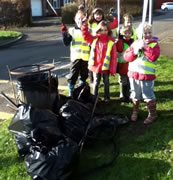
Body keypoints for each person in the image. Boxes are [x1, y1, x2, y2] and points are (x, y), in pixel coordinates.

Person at [123, 23, 160, 124]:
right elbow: (126, 57)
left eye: (149, 33)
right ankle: (135, 110)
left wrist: (145, 47)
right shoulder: (135, 44)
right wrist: (134, 51)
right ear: (140, 34)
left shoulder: (154, 44)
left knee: (148, 95)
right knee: (135, 94)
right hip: (134, 74)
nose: (147, 35)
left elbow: (153, 57)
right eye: (145, 33)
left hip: (147, 75)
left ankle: (152, 114)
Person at [82, 20, 117, 101]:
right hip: (96, 66)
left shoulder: (111, 41)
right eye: (101, 30)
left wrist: (113, 69)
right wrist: (84, 25)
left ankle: (107, 97)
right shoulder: (95, 39)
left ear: (108, 31)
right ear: (98, 30)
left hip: (106, 67)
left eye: (105, 30)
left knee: (106, 82)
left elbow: (114, 57)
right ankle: (95, 97)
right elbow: (85, 36)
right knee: (96, 82)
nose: (103, 32)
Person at [61, 10, 90, 96]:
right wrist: (64, 34)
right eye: (78, 19)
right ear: (75, 20)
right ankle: (71, 90)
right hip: (75, 57)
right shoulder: (72, 30)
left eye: (82, 18)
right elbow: (66, 43)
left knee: (84, 75)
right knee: (73, 75)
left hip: (86, 57)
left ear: (86, 20)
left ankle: (81, 90)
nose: (80, 21)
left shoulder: (89, 30)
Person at [87, 7, 118, 84]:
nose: (98, 16)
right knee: (92, 63)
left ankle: (104, 79)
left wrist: (115, 17)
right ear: (93, 15)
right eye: (97, 15)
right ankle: (92, 81)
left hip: (103, 45)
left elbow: (114, 24)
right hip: (93, 45)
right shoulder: (90, 24)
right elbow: (85, 32)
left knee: (103, 61)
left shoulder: (105, 24)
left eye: (100, 15)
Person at [116, 25, 134, 103]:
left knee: (129, 81)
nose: (127, 35)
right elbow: (119, 49)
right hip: (122, 65)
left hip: (130, 65)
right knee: (124, 81)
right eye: (125, 33)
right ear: (122, 34)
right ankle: (123, 96)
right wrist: (119, 40)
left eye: (129, 33)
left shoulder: (132, 42)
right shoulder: (121, 42)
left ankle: (128, 95)